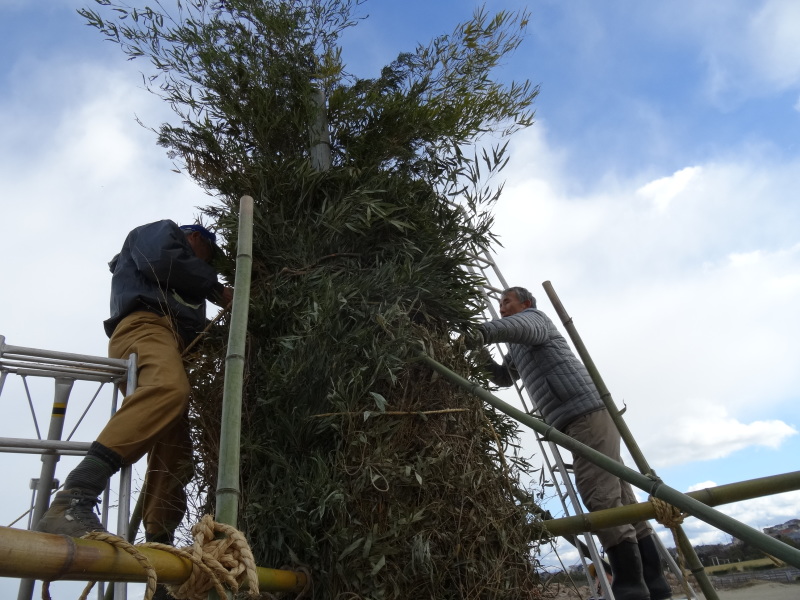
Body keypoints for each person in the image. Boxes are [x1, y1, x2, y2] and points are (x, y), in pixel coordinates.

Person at [36, 219, 233, 550]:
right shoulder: (164, 233)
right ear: (195, 238)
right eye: (207, 256)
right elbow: (163, 260)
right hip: (146, 328)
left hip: (172, 346)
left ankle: (160, 546)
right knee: (168, 390)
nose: (207, 266)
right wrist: (216, 288)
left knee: (175, 448)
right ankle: (74, 497)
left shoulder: (189, 289)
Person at [471, 286, 672, 600]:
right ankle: (655, 585)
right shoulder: (518, 342)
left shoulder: (534, 319)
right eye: (499, 304)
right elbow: (504, 377)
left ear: (525, 303)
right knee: (620, 496)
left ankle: (630, 588)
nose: (501, 308)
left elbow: (516, 326)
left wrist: (478, 332)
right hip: (577, 418)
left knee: (600, 496)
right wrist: (479, 352)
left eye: (506, 301)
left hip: (584, 413)